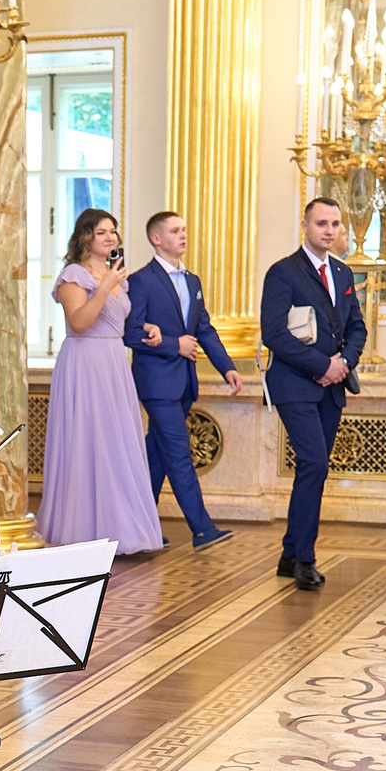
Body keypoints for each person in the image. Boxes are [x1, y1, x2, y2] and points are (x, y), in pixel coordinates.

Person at [37, 208, 165, 553]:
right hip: (85, 361)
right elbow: (80, 322)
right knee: (88, 441)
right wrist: (105, 287)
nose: (111, 238)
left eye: (113, 232)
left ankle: (122, 529)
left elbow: (118, 322)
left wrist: (147, 328)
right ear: (85, 237)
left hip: (114, 362)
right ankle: (83, 530)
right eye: (102, 233)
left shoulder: (111, 272)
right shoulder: (74, 275)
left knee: (117, 443)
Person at [258, 197, 369, 588]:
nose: (329, 229)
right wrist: (323, 366)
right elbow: (274, 334)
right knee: (315, 464)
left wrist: (343, 364)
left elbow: (357, 327)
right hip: (294, 385)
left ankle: (290, 553)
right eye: (321, 222)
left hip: (332, 386)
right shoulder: (282, 273)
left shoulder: (342, 272)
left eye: (335, 223)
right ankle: (305, 557)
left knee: (312, 469)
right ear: (304, 226)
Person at [126, 209, 243, 551]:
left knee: (158, 455)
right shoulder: (141, 280)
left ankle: (138, 528)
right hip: (156, 384)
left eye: (184, 230)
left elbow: (203, 329)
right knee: (178, 453)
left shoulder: (192, 281)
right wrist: (173, 344)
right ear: (156, 238)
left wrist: (228, 367)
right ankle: (202, 528)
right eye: (175, 230)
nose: (183, 235)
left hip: (184, 383)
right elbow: (131, 333)